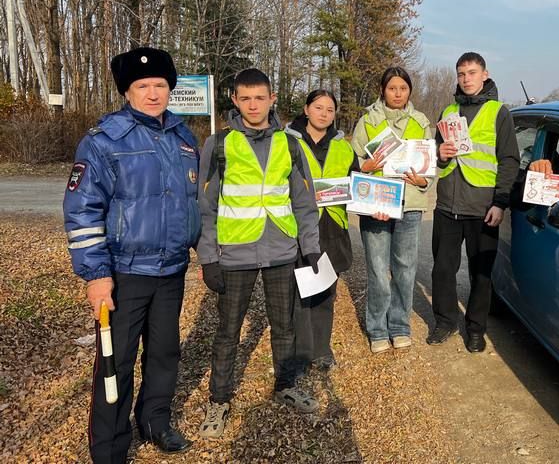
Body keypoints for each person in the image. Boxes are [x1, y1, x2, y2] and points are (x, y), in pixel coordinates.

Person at [63, 47, 198, 462]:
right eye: (143, 86)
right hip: (123, 273)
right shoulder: (103, 142)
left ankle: (155, 420)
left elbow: (193, 202)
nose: (153, 93)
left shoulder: (184, 138)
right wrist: (96, 275)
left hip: (171, 270)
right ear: (127, 91)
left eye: (160, 85)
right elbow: (82, 211)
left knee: (164, 353)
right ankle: (110, 447)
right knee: (114, 362)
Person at [196, 68, 322, 439]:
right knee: (228, 332)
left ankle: (285, 385)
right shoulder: (218, 145)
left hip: (282, 250)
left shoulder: (291, 144)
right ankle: (219, 400)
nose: (253, 105)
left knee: (283, 326)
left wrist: (310, 248)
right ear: (234, 101)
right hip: (235, 255)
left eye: (260, 98)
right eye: (245, 98)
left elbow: (304, 202)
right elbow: (206, 206)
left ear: (272, 99)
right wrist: (208, 257)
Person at [429, 52, 519, 353]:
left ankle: (476, 329)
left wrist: (500, 203)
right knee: (442, 270)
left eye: (471, 72)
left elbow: (509, 161)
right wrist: (440, 155)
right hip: (446, 207)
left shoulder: (499, 112)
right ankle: (445, 322)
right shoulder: (448, 110)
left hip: (483, 209)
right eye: (461, 74)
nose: (466, 79)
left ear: (484, 74)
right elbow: (437, 156)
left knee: (481, 274)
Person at [351, 66, 434, 353]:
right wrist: (365, 167)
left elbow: (429, 169)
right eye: (392, 88)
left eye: (403, 88)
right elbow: (354, 165)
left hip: (409, 206)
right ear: (383, 91)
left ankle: (399, 326)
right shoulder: (367, 122)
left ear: (410, 90)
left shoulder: (421, 122)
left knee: (405, 270)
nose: (397, 93)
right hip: (376, 205)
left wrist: (422, 180)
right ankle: (376, 329)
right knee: (376, 270)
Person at [286, 90, 359, 370]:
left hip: (332, 227)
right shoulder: (287, 142)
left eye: (330, 110)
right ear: (306, 109)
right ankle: (299, 351)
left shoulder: (343, 147)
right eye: (318, 107)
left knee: (326, 291)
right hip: (300, 227)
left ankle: (321, 349)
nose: (324, 114)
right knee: (301, 292)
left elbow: (357, 184)